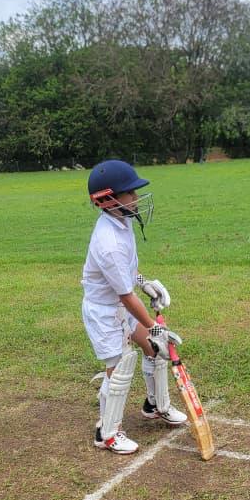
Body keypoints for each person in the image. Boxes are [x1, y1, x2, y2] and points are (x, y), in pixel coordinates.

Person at [82, 159, 187, 454]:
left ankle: (155, 405)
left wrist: (145, 283)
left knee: (155, 350)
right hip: (104, 313)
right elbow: (126, 297)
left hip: (120, 304)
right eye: (130, 193)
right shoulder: (108, 242)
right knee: (120, 368)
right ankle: (107, 432)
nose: (136, 199)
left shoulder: (122, 219)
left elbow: (127, 276)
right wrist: (155, 326)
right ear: (108, 199)